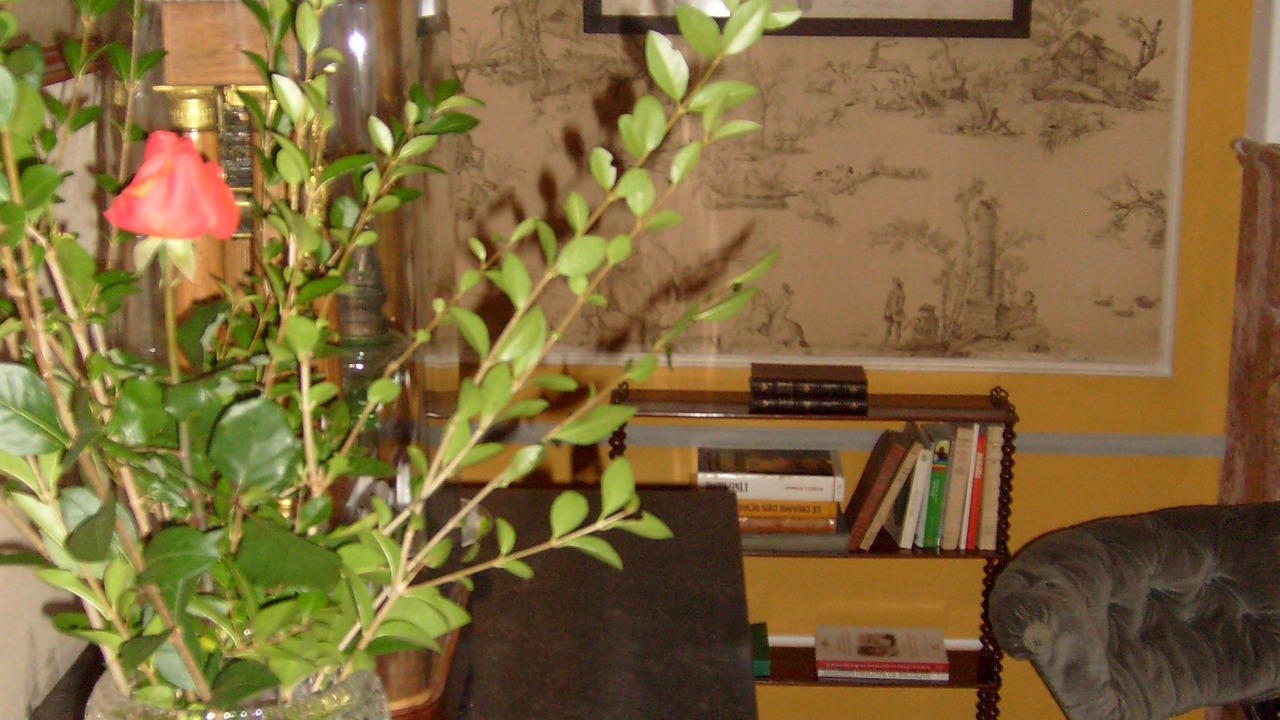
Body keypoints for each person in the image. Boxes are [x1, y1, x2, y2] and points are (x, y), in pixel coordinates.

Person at [883, 277, 906, 345]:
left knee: (897, 328)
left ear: (898, 285)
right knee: (888, 327)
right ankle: (885, 341)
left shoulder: (901, 293)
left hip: (897, 313)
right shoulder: (891, 293)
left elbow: (900, 305)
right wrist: (886, 311)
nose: (893, 285)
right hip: (890, 312)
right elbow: (887, 303)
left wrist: (895, 311)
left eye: (895, 284)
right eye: (893, 284)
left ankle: (896, 342)